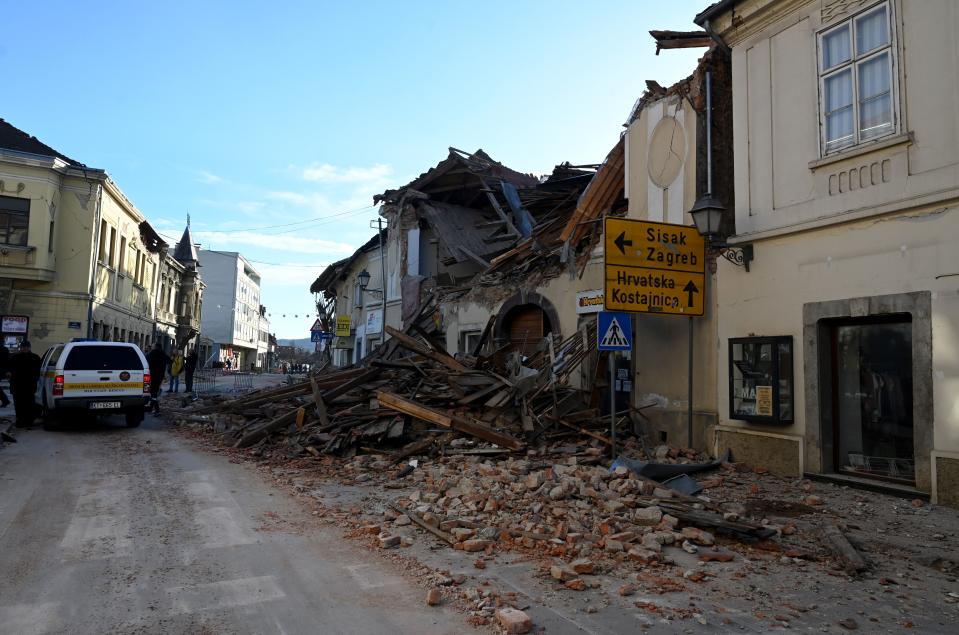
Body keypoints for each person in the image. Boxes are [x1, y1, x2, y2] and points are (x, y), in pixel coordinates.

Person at [8, 340, 41, 428]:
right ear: (21, 348)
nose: (25, 348)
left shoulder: (35, 357)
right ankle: (20, 420)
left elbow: (38, 372)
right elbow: (9, 370)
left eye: (26, 347)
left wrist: (35, 380)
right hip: (17, 385)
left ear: (29, 347)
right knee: (19, 404)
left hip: (29, 385)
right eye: (23, 347)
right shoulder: (14, 358)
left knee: (29, 404)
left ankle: (28, 421)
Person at [146, 343, 171, 415]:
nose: (152, 347)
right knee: (154, 391)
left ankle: (156, 409)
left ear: (156, 347)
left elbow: (146, 360)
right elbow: (170, 361)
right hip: (160, 375)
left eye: (153, 346)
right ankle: (151, 408)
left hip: (153, 375)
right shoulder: (163, 353)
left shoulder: (153, 353)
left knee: (153, 392)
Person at [0, 343, 11, 408]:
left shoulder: (3, 349)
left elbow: (7, 360)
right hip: (3, 370)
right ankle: (5, 400)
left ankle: (5, 400)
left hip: (2, 370)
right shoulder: (4, 349)